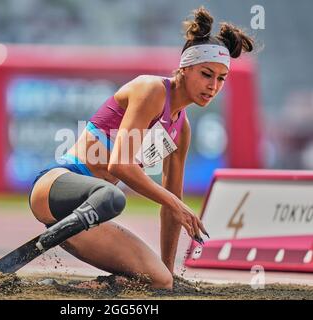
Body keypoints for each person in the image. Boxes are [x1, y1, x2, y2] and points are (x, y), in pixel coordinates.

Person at [29, 6, 254, 290]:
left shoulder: (181, 130)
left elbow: (172, 207)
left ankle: (66, 288)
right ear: (185, 68)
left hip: (92, 213)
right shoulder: (151, 90)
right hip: (55, 187)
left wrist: (169, 273)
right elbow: (120, 166)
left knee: (158, 280)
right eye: (207, 74)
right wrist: (176, 203)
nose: (213, 86)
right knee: (113, 196)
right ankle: (66, 226)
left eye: (221, 79)